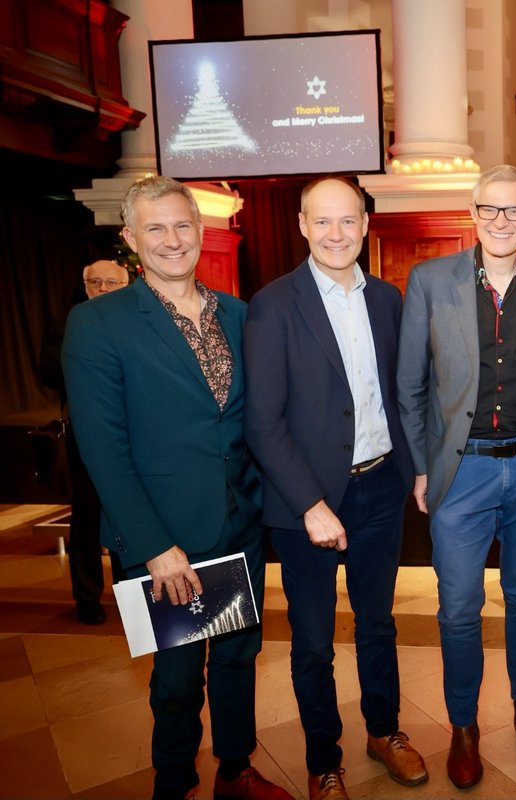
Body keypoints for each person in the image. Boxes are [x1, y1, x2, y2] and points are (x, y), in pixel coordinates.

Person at [62, 176, 290, 800]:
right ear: (131, 239)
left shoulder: (240, 314)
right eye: (155, 228)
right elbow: (102, 450)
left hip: (239, 519)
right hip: (165, 534)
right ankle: (175, 781)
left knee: (239, 659)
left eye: (182, 225)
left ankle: (236, 770)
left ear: (201, 231)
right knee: (179, 674)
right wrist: (155, 545)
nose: (172, 239)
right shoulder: (98, 323)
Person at [244, 177, 425, 800]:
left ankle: (386, 732)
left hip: (379, 489)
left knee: (378, 624)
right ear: (301, 225)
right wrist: (310, 505)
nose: (335, 234)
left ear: (366, 224)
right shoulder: (273, 304)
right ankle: (325, 761)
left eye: (347, 221)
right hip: (307, 505)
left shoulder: (387, 299)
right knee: (314, 643)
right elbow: (262, 422)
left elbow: (403, 397)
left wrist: (415, 468)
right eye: (322, 222)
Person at [396, 164, 516, 789]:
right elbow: (410, 385)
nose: (501, 221)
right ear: (472, 215)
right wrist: (420, 467)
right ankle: (463, 726)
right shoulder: (429, 280)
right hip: (459, 471)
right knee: (458, 607)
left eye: (513, 210)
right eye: (489, 210)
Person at [40, 259, 130, 624]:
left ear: (126, 285)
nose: (104, 289)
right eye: (97, 282)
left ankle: (130, 596)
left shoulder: (137, 322)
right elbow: (48, 370)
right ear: (85, 284)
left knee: (128, 515)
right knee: (88, 519)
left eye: (112, 282)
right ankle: (87, 599)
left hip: (134, 435)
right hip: (86, 437)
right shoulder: (66, 323)